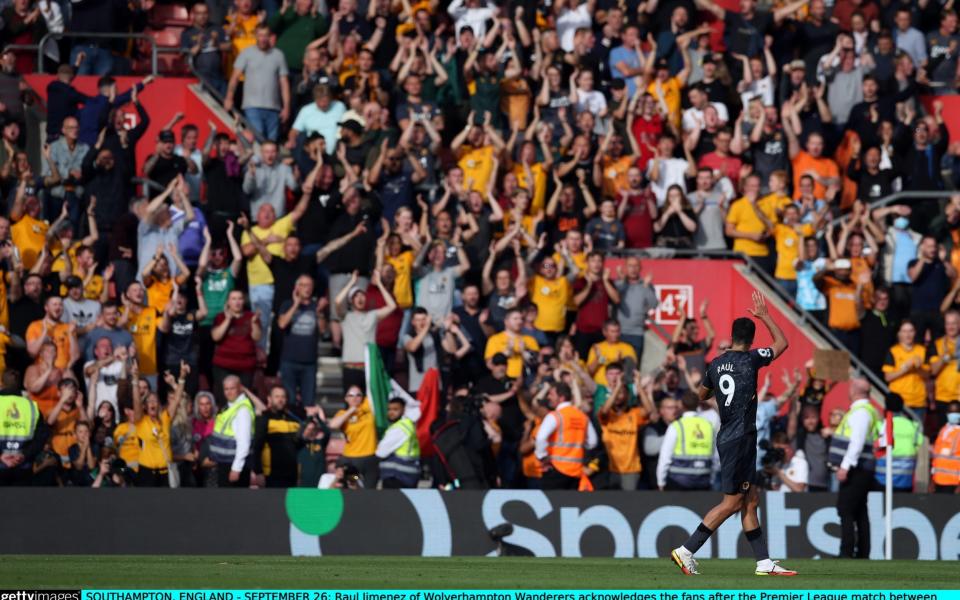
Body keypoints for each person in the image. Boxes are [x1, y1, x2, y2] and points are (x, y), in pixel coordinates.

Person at [671, 291, 794, 576]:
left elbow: (702, 395)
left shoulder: (716, 364)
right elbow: (782, 343)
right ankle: (686, 550)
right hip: (740, 438)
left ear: (732, 335)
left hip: (731, 436)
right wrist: (765, 316)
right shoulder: (752, 359)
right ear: (751, 339)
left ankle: (764, 563)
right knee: (733, 502)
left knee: (751, 500)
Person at [828, 377, 881, 559]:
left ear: (855, 390)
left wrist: (845, 466)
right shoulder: (867, 410)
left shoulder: (860, 412)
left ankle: (847, 551)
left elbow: (856, 443)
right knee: (859, 510)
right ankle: (862, 552)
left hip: (856, 468)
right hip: (861, 468)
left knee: (845, 508)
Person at [534, 381, 598, 490]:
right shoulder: (582, 416)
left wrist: (542, 456)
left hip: (556, 469)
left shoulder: (555, 416)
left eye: (551, 394)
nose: (548, 397)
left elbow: (540, 438)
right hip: (576, 471)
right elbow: (592, 442)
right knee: (570, 503)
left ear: (561, 398)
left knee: (553, 504)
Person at [0, 369, 50, 486]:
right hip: (23, 468)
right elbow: (41, 438)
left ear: (1, 383)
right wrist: (23, 455)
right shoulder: (32, 407)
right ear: (20, 385)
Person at [657, 391, 715, 491]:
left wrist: (660, 482)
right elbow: (716, 457)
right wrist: (712, 479)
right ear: (698, 404)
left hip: (678, 481)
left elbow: (665, 457)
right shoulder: (708, 425)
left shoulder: (676, 426)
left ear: (682, 405)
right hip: (703, 479)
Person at [251, 386, 305, 488]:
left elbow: (298, 446)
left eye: (283, 397)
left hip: (291, 474)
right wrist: (258, 472)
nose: (280, 400)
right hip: (271, 475)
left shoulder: (293, 419)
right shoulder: (264, 418)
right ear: (269, 399)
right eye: (277, 397)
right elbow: (257, 447)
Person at [209, 375, 256, 487]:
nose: (229, 392)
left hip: (234, 465)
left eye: (232, 388)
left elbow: (244, 443)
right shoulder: (229, 407)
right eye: (226, 389)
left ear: (240, 388)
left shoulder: (242, 410)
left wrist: (236, 468)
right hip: (225, 463)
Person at [874, 393, 921, 493]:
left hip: (881, 481)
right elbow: (918, 447)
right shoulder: (914, 426)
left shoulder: (881, 426)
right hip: (905, 481)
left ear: (886, 406)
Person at [375, 394, 421, 488]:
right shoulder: (407, 425)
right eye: (389, 409)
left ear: (403, 410)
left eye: (395, 409)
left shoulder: (399, 429)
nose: (391, 412)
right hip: (408, 474)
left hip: (397, 476)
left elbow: (381, 452)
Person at [931, 400, 960, 494]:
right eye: (951, 412)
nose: (953, 414)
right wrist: (932, 480)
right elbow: (936, 458)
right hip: (938, 481)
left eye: (956, 412)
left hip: (953, 483)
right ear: (947, 413)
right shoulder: (943, 430)